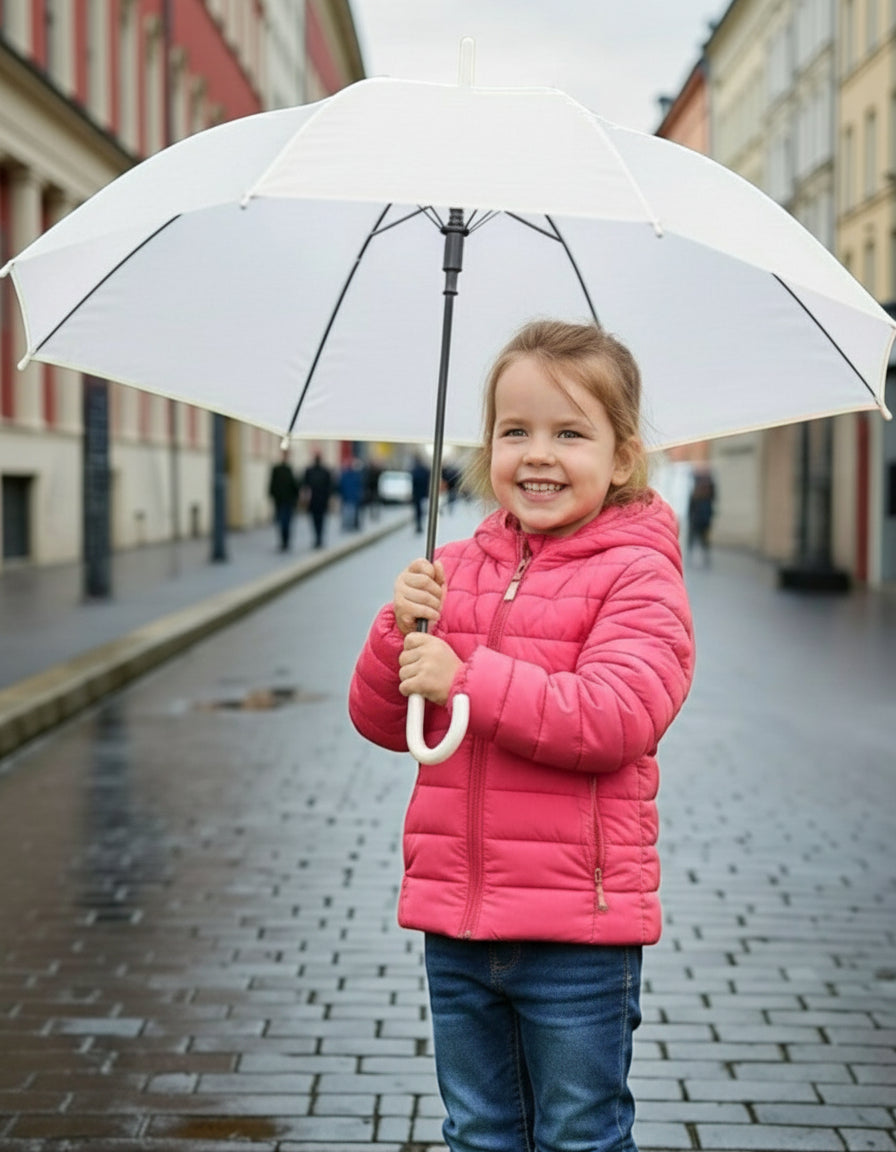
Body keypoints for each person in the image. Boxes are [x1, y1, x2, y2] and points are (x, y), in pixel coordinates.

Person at [349, 320, 695, 1152]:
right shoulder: (457, 565)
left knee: (581, 1133)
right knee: (479, 1131)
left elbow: (615, 716)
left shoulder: (639, 573)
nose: (538, 454)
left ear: (621, 457)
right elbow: (379, 720)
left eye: (569, 433)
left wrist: (464, 675)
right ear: (487, 446)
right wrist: (401, 631)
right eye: (516, 431)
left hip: (575, 935)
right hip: (458, 927)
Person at [267, 448, 299, 552]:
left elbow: (295, 486)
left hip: (288, 501)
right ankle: (283, 541)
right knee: (281, 522)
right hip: (280, 500)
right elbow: (272, 484)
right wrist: (272, 495)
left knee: (286, 522)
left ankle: (286, 542)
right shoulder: (277, 469)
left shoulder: (289, 469)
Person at [301, 451, 333, 549]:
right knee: (319, 521)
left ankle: (318, 538)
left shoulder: (311, 471)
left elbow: (305, 486)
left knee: (316, 520)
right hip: (320, 501)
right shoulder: (324, 471)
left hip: (315, 501)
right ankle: (318, 538)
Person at [687, 468, 716, 567]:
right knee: (696, 538)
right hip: (699, 519)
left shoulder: (703, 495)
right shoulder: (698, 494)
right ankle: (692, 554)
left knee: (701, 538)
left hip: (701, 519)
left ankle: (701, 554)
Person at [410, 453, 430, 534]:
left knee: (418, 510)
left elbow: (412, 482)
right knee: (422, 510)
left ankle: (419, 525)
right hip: (423, 492)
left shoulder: (414, 470)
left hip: (417, 493)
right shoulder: (425, 470)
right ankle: (420, 525)